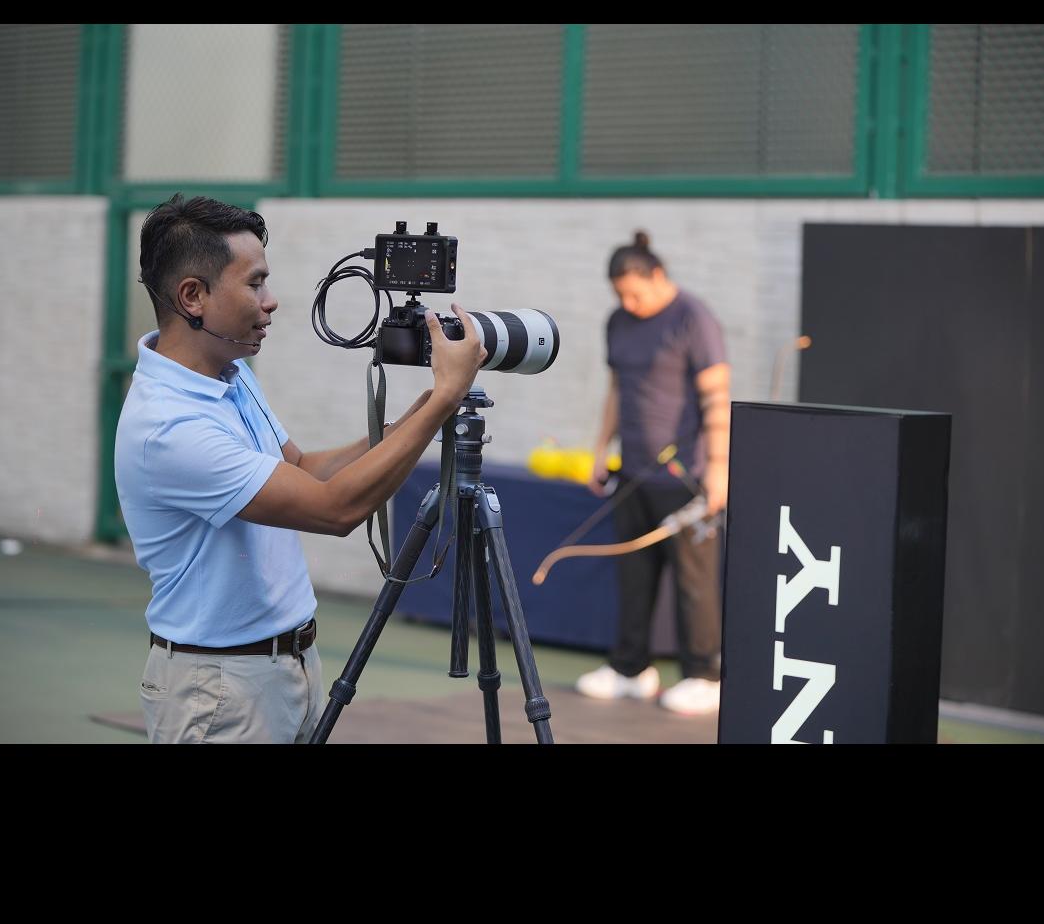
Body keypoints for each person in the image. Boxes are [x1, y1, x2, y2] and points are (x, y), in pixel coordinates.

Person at [115, 194, 485, 743]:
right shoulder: (169, 427)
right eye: (255, 283)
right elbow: (335, 509)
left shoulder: (229, 374)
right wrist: (444, 400)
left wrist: (426, 406)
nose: (272, 301)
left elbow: (303, 468)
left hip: (284, 666)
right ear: (193, 296)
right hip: (222, 688)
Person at [575, 232, 730, 715]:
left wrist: (720, 470)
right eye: (620, 295)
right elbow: (617, 390)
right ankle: (630, 670)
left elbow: (717, 396)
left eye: (635, 294)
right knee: (634, 576)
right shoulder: (618, 321)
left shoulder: (693, 318)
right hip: (633, 472)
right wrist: (600, 450)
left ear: (657, 276)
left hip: (686, 477)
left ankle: (705, 676)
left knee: (694, 582)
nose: (628, 303)